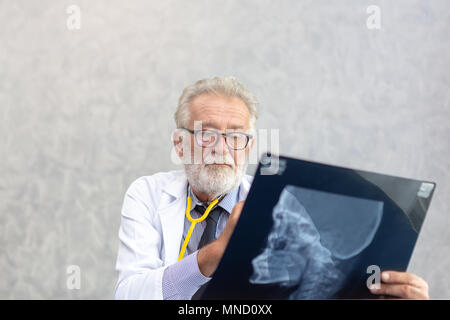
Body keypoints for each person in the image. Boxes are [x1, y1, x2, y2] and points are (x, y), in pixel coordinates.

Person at [114, 76, 429, 300]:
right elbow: (128, 295)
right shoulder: (147, 195)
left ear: (248, 147)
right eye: (206, 134)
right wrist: (213, 255)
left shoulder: (286, 208)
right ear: (180, 145)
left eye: (236, 137)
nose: (222, 148)